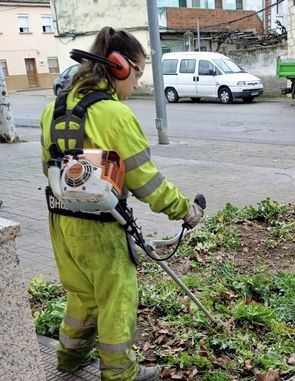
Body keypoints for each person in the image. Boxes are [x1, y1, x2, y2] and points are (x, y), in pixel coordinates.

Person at [40, 26, 204, 381]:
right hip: (101, 225)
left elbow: (48, 169)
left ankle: (68, 360)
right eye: (139, 72)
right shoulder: (114, 114)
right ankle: (119, 374)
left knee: (83, 294)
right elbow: (146, 182)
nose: (138, 83)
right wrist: (185, 211)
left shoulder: (52, 109)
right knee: (117, 298)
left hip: (61, 224)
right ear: (119, 67)